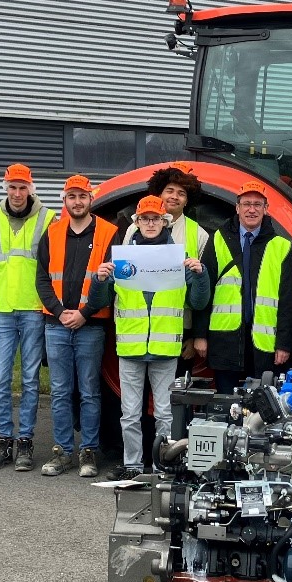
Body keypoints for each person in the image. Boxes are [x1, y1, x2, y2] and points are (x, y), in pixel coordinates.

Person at [98, 195, 209, 479]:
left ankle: (164, 466)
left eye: (155, 218)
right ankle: (133, 467)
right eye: (145, 219)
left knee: (165, 415)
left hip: (164, 348)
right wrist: (100, 280)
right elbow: (100, 300)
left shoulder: (179, 258)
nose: (150, 223)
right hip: (131, 348)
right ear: (136, 222)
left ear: (165, 221)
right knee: (130, 415)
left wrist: (200, 275)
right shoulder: (121, 257)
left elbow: (197, 302)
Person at [35, 174, 116, 478]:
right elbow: (42, 279)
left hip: (91, 325)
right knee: (59, 391)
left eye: (83, 196)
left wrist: (83, 313)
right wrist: (59, 312)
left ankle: (89, 452)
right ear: (64, 200)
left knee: (90, 392)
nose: (77, 201)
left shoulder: (109, 233)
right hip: (56, 325)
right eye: (72, 196)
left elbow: (111, 285)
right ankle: (63, 452)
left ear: (91, 199)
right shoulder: (52, 233)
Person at [0, 163, 54, 473]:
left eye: (22, 187)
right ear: (5, 187)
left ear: (31, 188)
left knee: (29, 379)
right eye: (12, 186)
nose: (17, 192)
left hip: (34, 308)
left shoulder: (48, 218)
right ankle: (3, 440)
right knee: (0, 379)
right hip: (2, 308)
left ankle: (25, 441)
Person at [195, 179, 292, 392]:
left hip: (264, 344)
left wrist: (284, 344)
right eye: (246, 204)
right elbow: (205, 290)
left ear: (266, 209)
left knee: (263, 408)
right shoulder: (218, 240)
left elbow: (287, 300)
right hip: (225, 340)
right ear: (237, 207)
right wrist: (200, 335)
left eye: (257, 205)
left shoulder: (281, 246)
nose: (252, 210)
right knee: (227, 404)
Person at [122, 163, 211, 373]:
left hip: (178, 329)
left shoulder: (199, 235)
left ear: (187, 200)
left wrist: (195, 335)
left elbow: (203, 288)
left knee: (174, 398)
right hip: (138, 328)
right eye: (169, 191)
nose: (174, 197)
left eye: (181, 193)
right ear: (159, 193)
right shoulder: (133, 229)